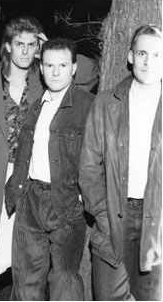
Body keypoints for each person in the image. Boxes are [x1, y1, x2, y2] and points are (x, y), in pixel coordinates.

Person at [0, 15, 98, 301]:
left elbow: (89, 72)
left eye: (31, 45)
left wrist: (47, 42)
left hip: (26, 179)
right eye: (20, 44)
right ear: (7, 47)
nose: (26, 51)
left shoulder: (45, 83)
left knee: (13, 257)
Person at [5, 38, 94, 300]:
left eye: (63, 65)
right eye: (49, 65)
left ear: (74, 68)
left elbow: (98, 157)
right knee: (26, 279)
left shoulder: (87, 105)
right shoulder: (36, 106)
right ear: (41, 68)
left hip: (66, 201)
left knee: (65, 279)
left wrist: (81, 195)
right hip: (31, 197)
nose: (56, 72)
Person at [79, 24, 162, 301]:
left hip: (157, 226)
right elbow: (89, 167)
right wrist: (102, 214)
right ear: (130, 57)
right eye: (141, 54)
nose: (148, 62)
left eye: (156, 55)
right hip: (114, 217)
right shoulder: (106, 104)